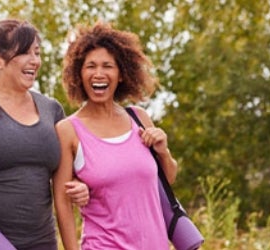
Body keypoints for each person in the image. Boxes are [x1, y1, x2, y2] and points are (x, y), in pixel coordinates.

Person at [0, 19, 89, 250]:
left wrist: (81, 185)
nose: (35, 61)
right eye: (25, 53)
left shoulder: (52, 109)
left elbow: (65, 176)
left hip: (42, 242)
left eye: (37, 53)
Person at [53, 21, 180, 249]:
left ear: (121, 74)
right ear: (79, 74)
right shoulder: (68, 130)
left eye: (107, 66)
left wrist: (163, 152)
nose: (98, 73)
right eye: (90, 66)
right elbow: (62, 201)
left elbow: (166, 181)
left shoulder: (139, 118)